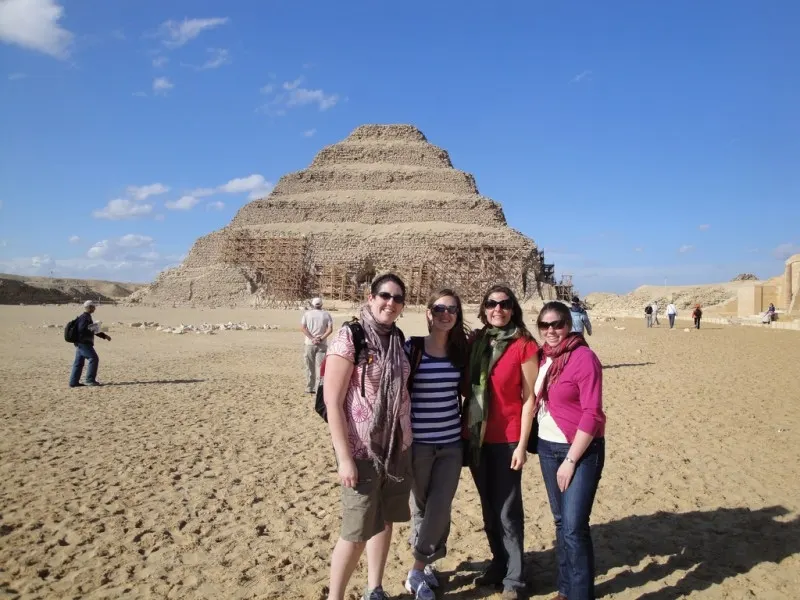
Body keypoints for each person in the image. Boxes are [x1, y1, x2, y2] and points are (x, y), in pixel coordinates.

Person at [323, 273, 412, 600]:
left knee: (385, 520)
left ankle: (375, 587)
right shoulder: (350, 337)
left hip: (397, 448)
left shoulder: (397, 338)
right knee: (356, 531)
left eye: (398, 298)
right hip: (361, 451)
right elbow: (332, 400)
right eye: (385, 296)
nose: (390, 303)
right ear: (371, 297)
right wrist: (344, 459)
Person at [464, 284, 539, 600]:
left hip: (507, 439)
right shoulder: (477, 342)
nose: (498, 309)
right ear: (484, 308)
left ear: (513, 308)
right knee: (489, 508)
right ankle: (498, 562)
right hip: (477, 438)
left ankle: (515, 579)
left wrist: (522, 445)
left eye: (505, 304)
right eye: (492, 304)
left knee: (508, 510)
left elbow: (529, 398)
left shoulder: (523, 345)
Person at [534, 301, 606, 600]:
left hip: (580, 450)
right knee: (561, 522)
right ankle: (565, 590)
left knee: (575, 527)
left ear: (569, 325)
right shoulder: (541, 357)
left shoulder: (584, 357)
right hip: (547, 447)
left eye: (558, 324)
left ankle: (580, 595)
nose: (551, 331)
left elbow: (593, 413)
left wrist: (571, 460)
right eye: (545, 325)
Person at [403, 289, 469, 600]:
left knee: (440, 506)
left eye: (452, 309)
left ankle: (417, 567)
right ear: (429, 313)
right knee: (421, 506)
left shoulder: (461, 352)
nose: (446, 313)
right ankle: (426, 567)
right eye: (440, 308)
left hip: (451, 444)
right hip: (418, 443)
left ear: (457, 316)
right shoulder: (411, 349)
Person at [69, 300, 111, 388]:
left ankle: (73, 382)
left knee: (78, 363)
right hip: (84, 343)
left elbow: (92, 329)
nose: (95, 308)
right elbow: (83, 329)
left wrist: (104, 335)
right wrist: (94, 327)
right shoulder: (85, 318)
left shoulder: (85, 317)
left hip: (80, 343)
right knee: (94, 358)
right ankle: (89, 380)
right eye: (93, 307)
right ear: (89, 307)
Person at [301, 297, 333, 393]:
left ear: (312, 305)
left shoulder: (307, 314)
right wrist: (321, 338)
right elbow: (330, 329)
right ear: (321, 304)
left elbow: (303, 328)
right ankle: (320, 387)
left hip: (309, 344)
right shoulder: (326, 314)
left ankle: (310, 387)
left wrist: (312, 338)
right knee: (321, 367)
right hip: (322, 344)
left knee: (309, 366)